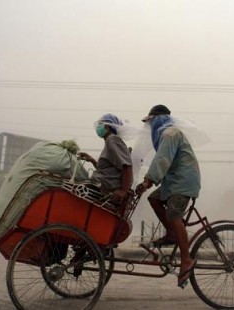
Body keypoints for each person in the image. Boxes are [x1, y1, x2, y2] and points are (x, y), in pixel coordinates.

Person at [135, 104, 200, 288]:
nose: (150, 126)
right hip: (173, 182)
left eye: (151, 121)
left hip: (183, 182)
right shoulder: (165, 134)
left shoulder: (170, 133)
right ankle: (172, 233)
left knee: (174, 215)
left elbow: (162, 159)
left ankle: (186, 259)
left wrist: (148, 181)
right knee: (154, 199)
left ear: (158, 119)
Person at [78, 113, 133, 204]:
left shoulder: (112, 140)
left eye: (100, 124)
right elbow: (106, 171)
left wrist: (124, 190)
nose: (98, 127)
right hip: (100, 185)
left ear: (107, 126)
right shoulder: (110, 141)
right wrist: (91, 159)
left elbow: (127, 166)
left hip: (102, 188)